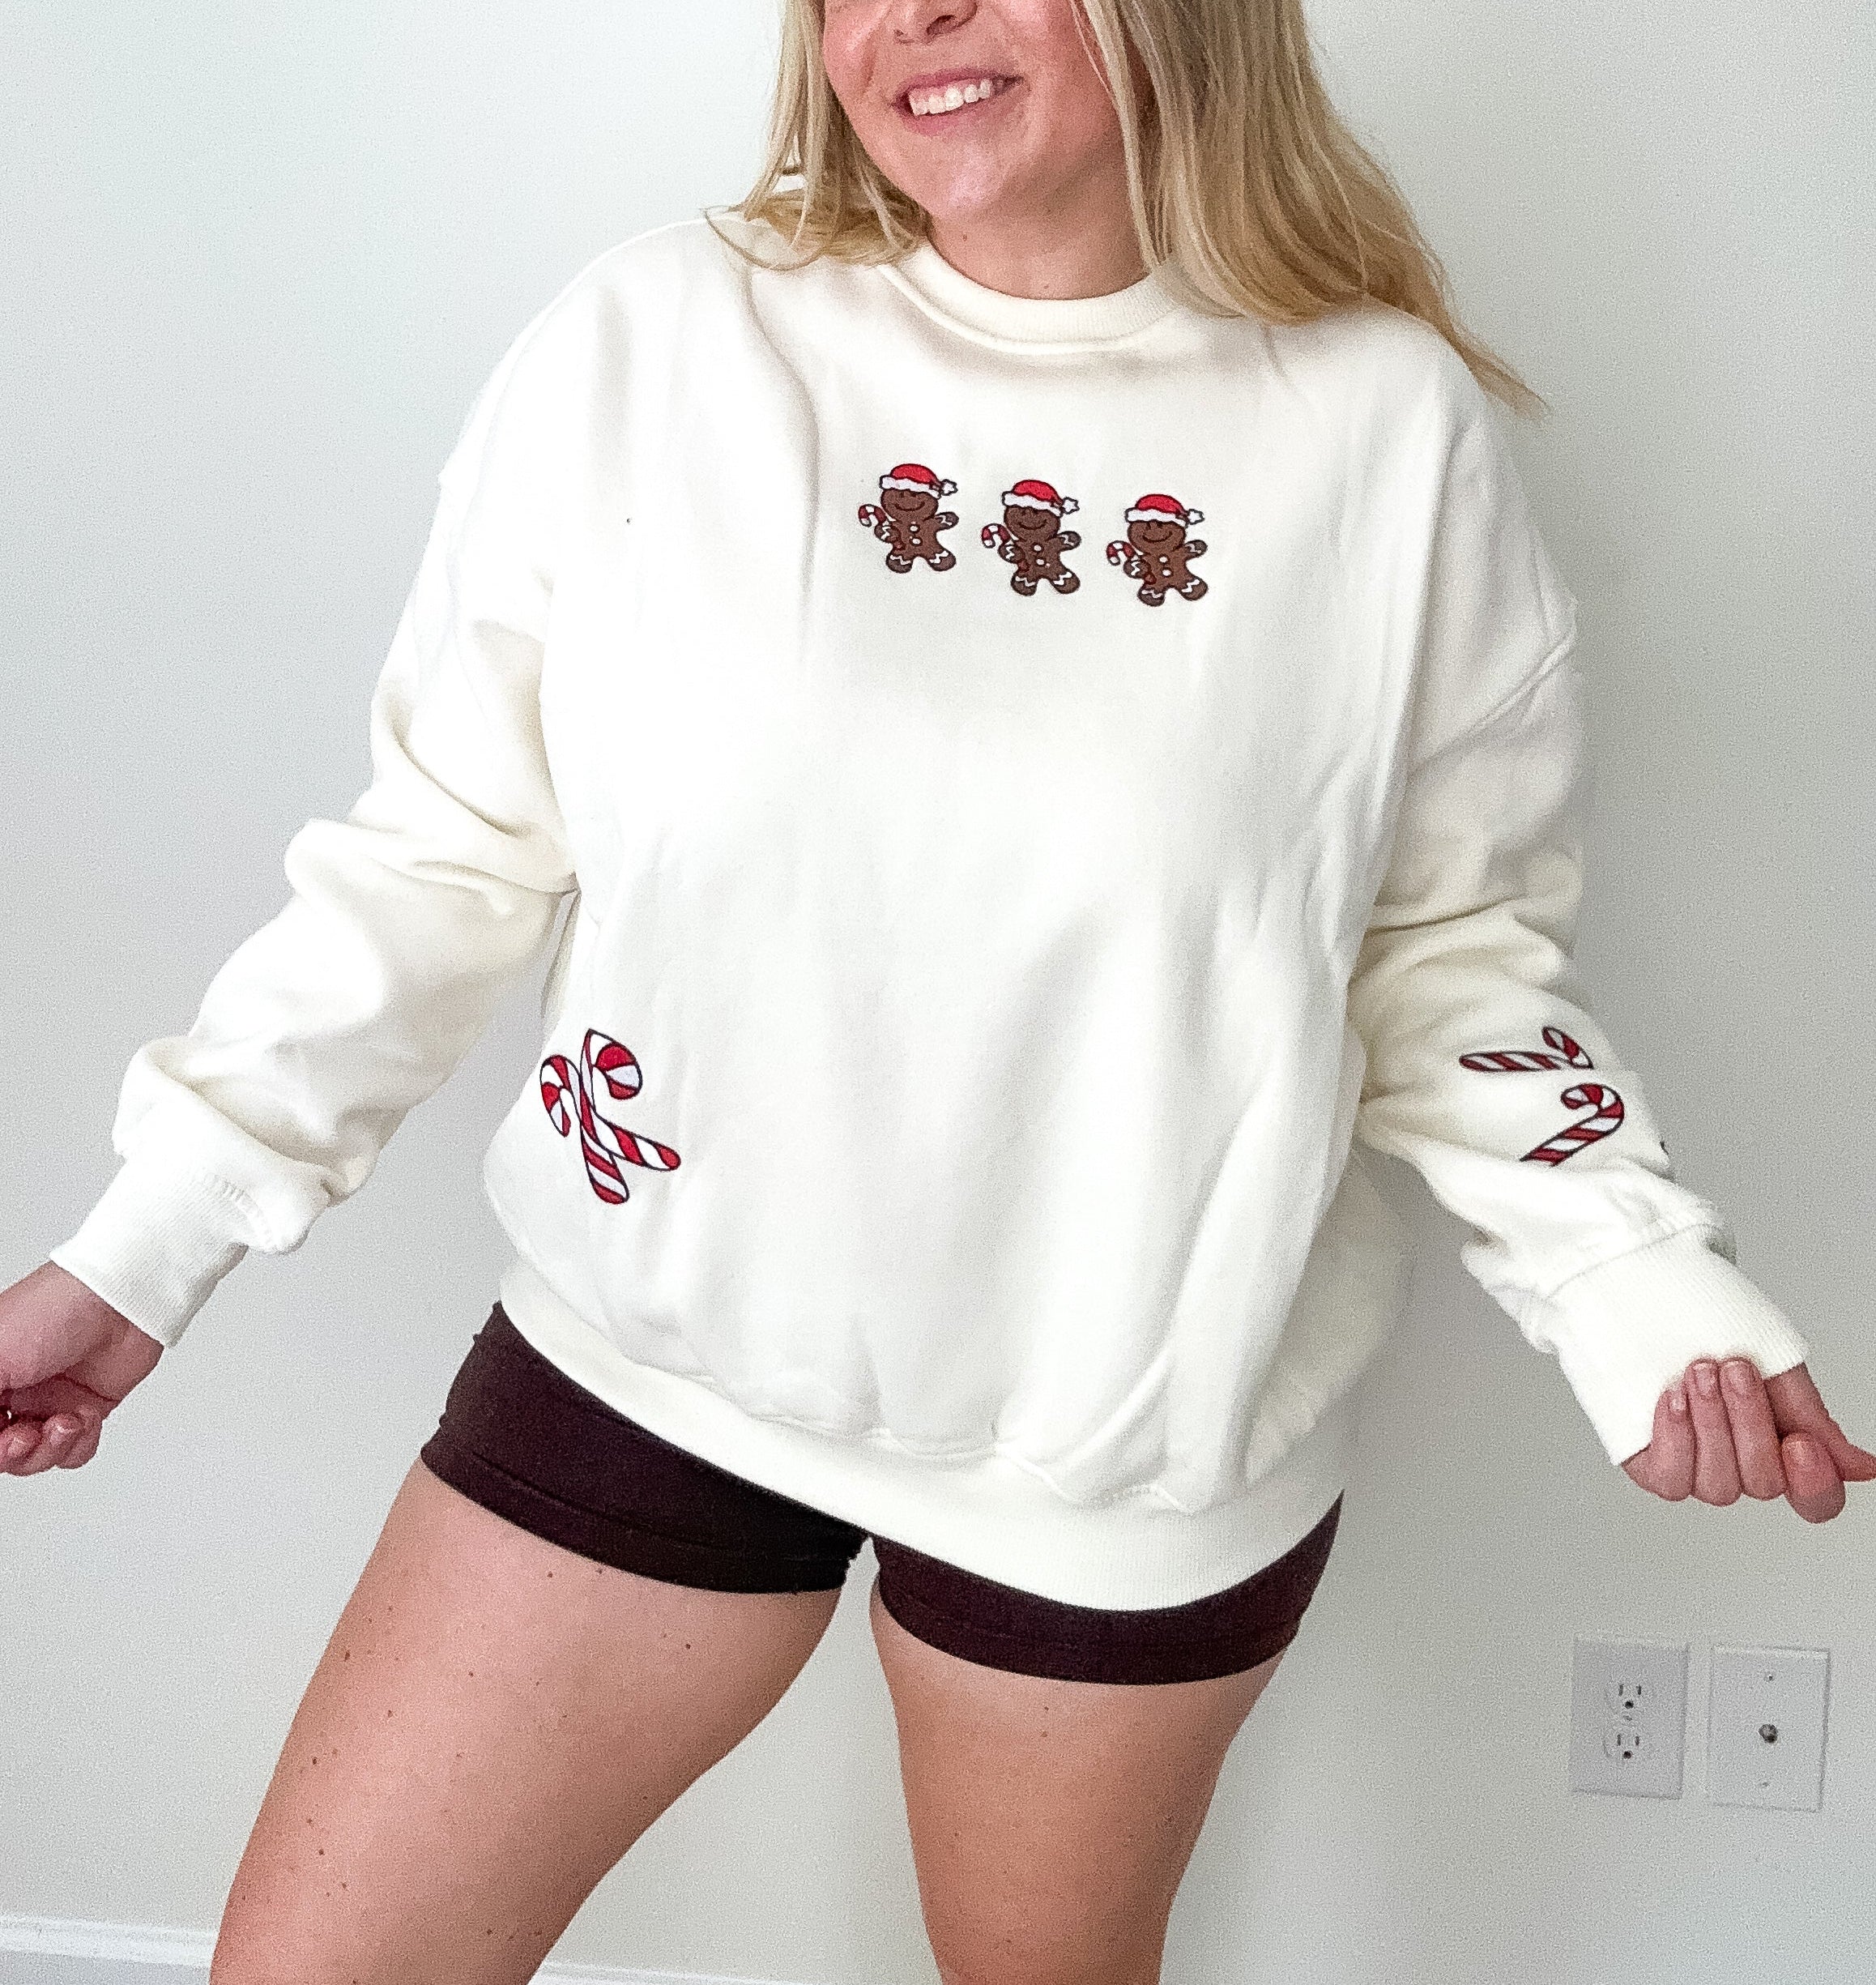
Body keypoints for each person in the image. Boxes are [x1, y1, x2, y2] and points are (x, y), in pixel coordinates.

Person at [6, 2, 1871, 1979]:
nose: (916, 18)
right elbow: (440, 853)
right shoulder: (661, 345)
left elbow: (1446, 953)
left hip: (1122, 1428)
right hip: (652, 1347)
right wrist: (143, 1247)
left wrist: (1633, 1282)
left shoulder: (1383, 432)